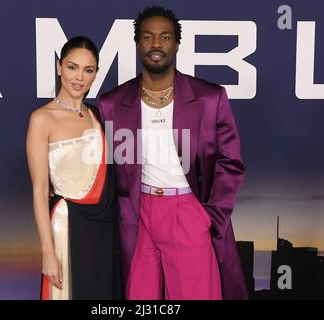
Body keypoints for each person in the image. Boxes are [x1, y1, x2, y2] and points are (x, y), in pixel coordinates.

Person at [98, 6, 247, 300]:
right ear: (138, 43)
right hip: (138, 213)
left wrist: (211, 217)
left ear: (177, 43)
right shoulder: (112, 103)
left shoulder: (209, 97)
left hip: (186, 210)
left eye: (165, 36)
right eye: (148, 36)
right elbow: (108, 167)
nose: (156, 44)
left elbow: (231, 163)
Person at [26, 36, 122, 300]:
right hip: (65, 228)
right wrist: (48, 252)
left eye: (88, 70)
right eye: (72, 67)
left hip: (103, 229)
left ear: (96, 74)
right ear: (59, 67)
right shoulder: (42, 119)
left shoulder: (99, 116)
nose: (79, 77)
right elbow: (39, 190)